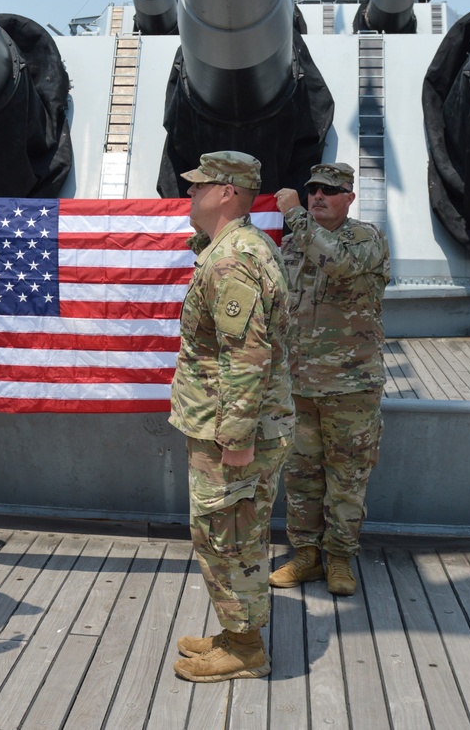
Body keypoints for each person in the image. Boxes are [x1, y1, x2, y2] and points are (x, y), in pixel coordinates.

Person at [169, 151, 295, 683]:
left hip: (233, 430)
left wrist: (236, 437)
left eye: (199, 186)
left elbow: (245, 356)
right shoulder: (231, 248)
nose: (189, 193)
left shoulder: (232, 259)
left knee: (230, 533)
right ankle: (233, 629)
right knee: (227, 528)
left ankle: (245, 648)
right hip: (227, 422)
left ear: (227, 192)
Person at [270, 162, 390, 596]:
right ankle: (305, 556)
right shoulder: (294, 245)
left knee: (347, 478)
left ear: (349, 198)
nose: (318, 196)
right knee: (300, 475)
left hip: (350, 387)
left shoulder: (364, 239)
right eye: (313, 189)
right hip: (298, 386)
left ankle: (339, 558)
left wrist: (295, 215)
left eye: (329, 190)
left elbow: (338, 264)